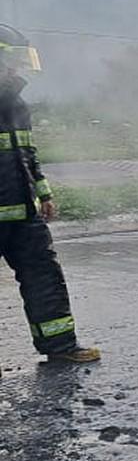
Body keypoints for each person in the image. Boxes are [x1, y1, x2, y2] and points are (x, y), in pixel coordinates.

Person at [0, 24, 100, 365]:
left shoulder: (17, 106)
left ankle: (60, 346)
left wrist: (43, 194)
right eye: (11, 63)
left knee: (44, 276)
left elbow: (27, 155)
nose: (17, 71)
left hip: (24, 214)